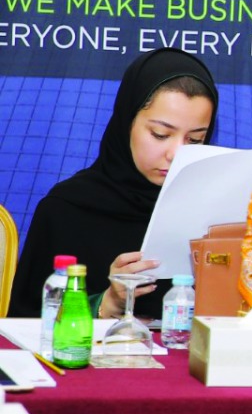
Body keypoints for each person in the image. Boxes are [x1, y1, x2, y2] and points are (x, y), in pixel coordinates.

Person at [10, 47, 218, 320]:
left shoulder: (214, 212)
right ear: (126, 122)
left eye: (194, 140)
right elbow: (25, 326)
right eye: (160, 134)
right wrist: (106, 303)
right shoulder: (66, 209)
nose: (177, 153)